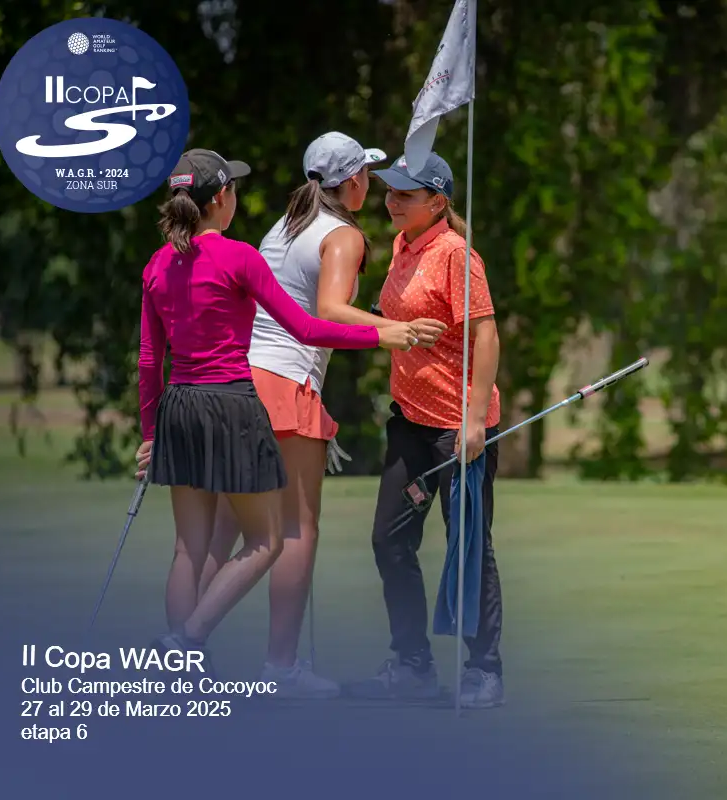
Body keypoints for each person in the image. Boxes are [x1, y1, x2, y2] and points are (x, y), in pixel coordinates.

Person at [133, 148, 420, 675]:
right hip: (232, 402)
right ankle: (188, 639)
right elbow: (307, 328)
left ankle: (177, 663)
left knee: (188, 549)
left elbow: (150, 361)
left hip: (178, 406)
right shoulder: (239, 257)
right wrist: (381, 336)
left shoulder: (157, 264)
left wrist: (151, 433)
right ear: (222, 197)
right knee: (269, 540)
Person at [199, 132, 448, 698]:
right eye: (367, 175)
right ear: (353, 180)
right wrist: (394, 330)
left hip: (243, 380)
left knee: (225, 530)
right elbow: (329, 310)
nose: (372, 186)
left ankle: (179, 649)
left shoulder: (284, 226)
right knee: (296, 529)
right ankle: (280, 667)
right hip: (286, 385)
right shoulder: (343, 234)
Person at [354, 151, 505, 709]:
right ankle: (412, 664)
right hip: (410, 424)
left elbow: (486, 337)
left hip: (457, 428)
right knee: (389, 540)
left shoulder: (455, 255)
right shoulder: (402, 245)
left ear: (437, 202)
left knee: (469, 548)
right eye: (390, 191)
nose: (391, 201)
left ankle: (484, 670)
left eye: (405, 194)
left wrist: (474, 420)